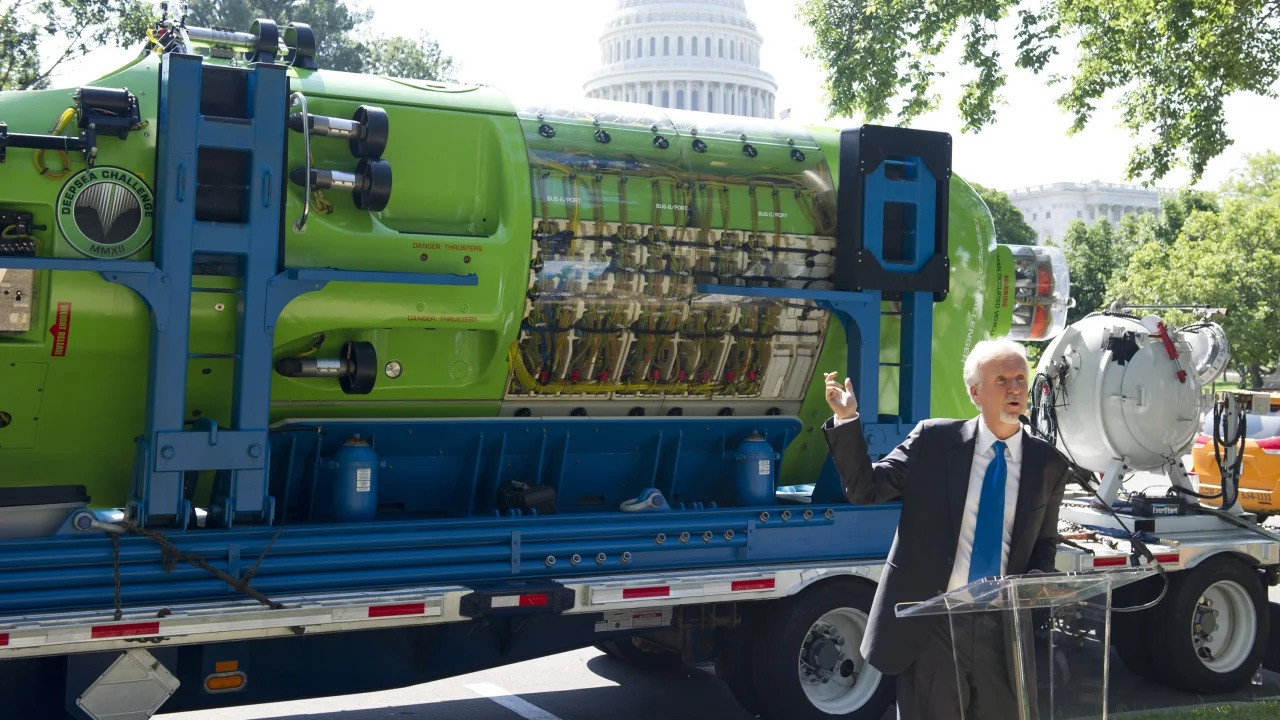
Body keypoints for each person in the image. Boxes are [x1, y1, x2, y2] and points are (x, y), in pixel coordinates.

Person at [822, 338, 1069, 720]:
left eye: (1021, 378)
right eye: (1002, 380)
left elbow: (1045, 541)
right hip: (934, 623)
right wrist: (847, 419)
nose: (1015, 388)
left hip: (1003, 629)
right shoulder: (933, 441)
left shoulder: (1048, 463)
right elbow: (865, 489)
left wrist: (1038, 580)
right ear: (975, 393)